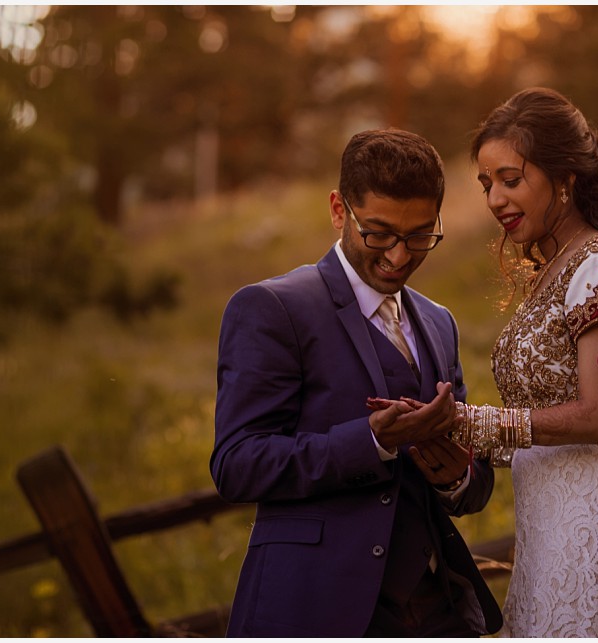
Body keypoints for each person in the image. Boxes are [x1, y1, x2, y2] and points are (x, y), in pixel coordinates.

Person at [210, 128, 503, 637]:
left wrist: (455, 476)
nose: (398, 256)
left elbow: (472, 487)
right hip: (313, 609)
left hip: (439, 615)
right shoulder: (272, 308)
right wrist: (371, 442)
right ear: (338, 210)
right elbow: (237, 465)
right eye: (379, 233)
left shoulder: (440, 323)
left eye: (419, 236)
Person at [458, 87, 598, 637]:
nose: (495, 199)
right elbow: (541, 415)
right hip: (546, 522)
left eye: (510, 179)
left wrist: (475, 423)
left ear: (564, 178)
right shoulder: (555, 269)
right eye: (487, 184)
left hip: (589, 521)